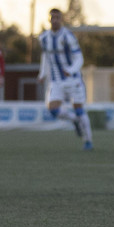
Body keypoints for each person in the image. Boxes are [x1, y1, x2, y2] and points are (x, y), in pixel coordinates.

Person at [38, 8, 94, 151]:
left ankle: (88, 141)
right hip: (56, 81)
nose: (55, 20)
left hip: (73, 80)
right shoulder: (44, 38)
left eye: (57, 17)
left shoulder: (68, 36)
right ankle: (74, 120)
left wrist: (70, 70)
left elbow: (79, 58)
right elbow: (46, 56)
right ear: (49, 19)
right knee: (52, 109)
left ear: (61, 19)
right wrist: (42, 73)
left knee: (80, 110)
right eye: (52, 17)